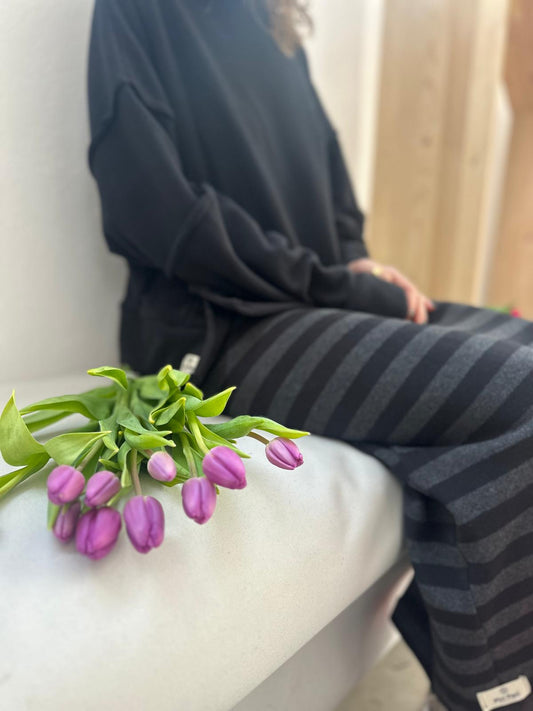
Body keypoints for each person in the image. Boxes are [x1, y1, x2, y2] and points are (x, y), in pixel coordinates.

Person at [87, 2, 533, 709]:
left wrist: (357, 264)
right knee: (516, 389)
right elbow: (151, 208)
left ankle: (476, 655)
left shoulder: (276, 24)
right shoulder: (140, 10)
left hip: (313, 302)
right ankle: (490, 693)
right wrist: (332, 284)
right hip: (216, 331)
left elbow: (331, 190)